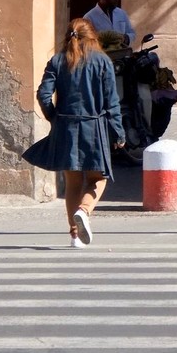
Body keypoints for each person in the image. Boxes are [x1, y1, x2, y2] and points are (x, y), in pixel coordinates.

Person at [22, 18, 126, 247]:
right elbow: (112, 102)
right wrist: (118, 132)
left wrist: (53, 117)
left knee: (72, 183)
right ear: (92, 36)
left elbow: (43, 94)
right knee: (99, 178)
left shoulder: (58, 61)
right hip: (94, 128)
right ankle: (84, 210)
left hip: (66, 127)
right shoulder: (102, 62)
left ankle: (75, 236)